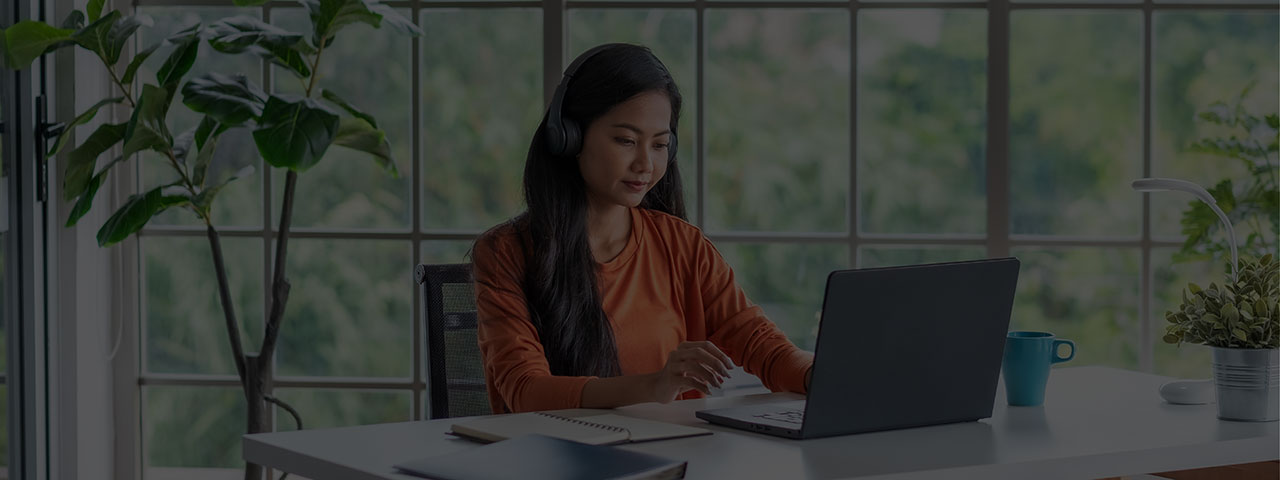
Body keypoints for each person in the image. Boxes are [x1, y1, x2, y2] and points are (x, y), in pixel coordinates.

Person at [471, 43, 813, 414]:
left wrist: (822, 376)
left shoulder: (683, 245)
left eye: (660, 145)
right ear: (568, 136)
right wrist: (656, 385)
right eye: (626, 141)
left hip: (677, 460)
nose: (645, 164)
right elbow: (527, 392)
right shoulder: (506, 253)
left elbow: (764, 347)